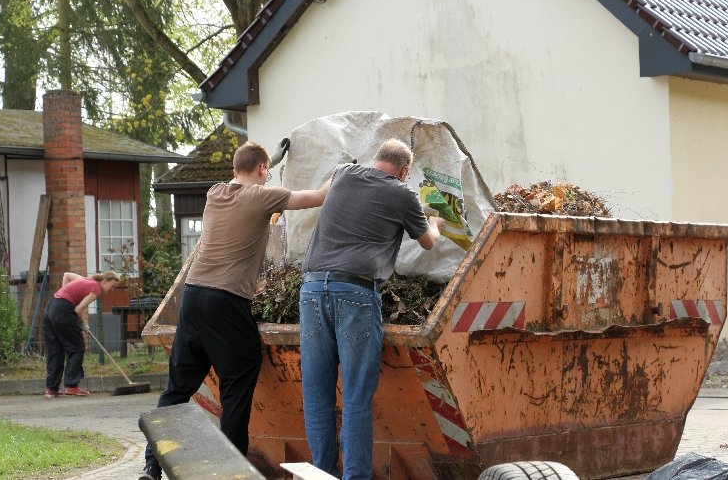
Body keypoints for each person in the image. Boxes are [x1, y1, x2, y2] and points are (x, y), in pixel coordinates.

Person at [140, 140, 329, 480]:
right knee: (237, 387)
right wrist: (339, 171)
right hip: (226, 302)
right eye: (266, 170)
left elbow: (245, 173)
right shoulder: (265, 196)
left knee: (178, 388)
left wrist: (267, 160)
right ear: (261, 170)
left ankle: (152, 466)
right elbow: (317, 197)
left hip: (192, 297)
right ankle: (230, 474)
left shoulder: (215, 193)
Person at [299, 138, 445, 480]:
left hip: (311, 291)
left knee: (317, 396)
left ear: (375, 158)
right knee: (354, 399)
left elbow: (320, 196)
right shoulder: (403, 193)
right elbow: (426, 243)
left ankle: (322, 474)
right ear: (404, 171)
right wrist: (435, 223)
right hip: (355, 292)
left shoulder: (343, 172)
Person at [43, 271, 120, 398]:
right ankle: (71, 386)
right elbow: (78, 309)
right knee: (77, 348)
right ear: (104, 281)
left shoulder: (85, 279)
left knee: (55, 350)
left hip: (51, 307)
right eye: (112, 286)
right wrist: (83, 323)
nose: (112, 290)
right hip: (63, 310)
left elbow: (66, 275)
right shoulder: (96, 289)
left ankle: (51, 389)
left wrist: (64, 293)